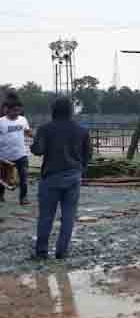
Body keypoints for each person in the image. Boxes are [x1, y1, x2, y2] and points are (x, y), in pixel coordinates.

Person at [30, 98, 91, 260]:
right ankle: (61, 251)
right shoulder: (81, 130)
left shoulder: (45, 129)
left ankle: (41, 252)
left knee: (46, 216)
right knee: (69, 216)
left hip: (51, 177)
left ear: (53, 110)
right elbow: (88, 155)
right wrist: (80, 171)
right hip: (73, 177)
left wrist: (33, 143)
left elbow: (38, 150)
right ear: (71, 111)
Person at [0, 96, 32, 205]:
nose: (17, 112)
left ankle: (23, 198)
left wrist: (36, 138)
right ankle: (1, 196)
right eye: (14, 110)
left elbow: (28, 132)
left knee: (23, 176)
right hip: (5, 156)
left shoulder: (23, 120)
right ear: (7, 109)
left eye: (19, 110)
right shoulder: (1, 122)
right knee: (3, 178)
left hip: (21, 154)